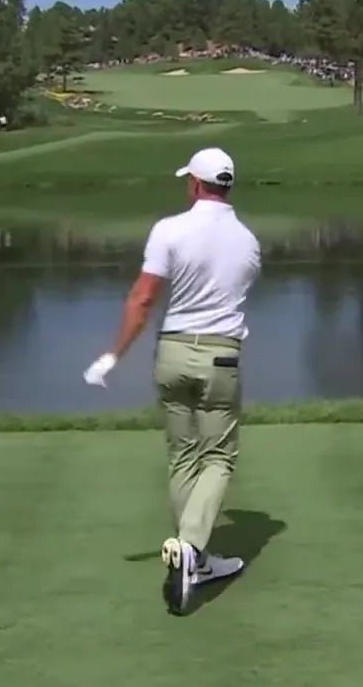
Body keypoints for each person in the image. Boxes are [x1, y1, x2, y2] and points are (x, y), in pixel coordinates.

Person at [83, 147, 261, 616]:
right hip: (222, 354)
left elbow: (142, 299)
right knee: (219, 456)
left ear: (196, 184)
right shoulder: (249, 241)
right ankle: (191, 549)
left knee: (184, 454)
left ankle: (192, 555)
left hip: (172, 352)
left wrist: (111, 356)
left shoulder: (169, 230)